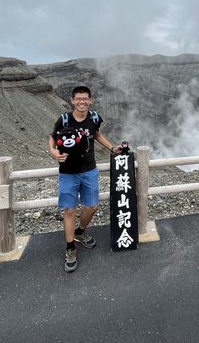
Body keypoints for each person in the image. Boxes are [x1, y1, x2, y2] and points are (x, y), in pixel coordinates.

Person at [48, 85, 120, 273]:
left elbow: (96, 134)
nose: (82, 102)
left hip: (89, 170)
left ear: (90, 100)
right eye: (78, 99)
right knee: (69, 210)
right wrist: (53, 152)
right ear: (72, 100)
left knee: (92, 206)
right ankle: (70, 247)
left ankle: (80, 231)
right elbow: (52, 138)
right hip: (67, 173)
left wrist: (112, 148)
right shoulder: (64, 119)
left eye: (85, 99)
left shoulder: (94, 118)